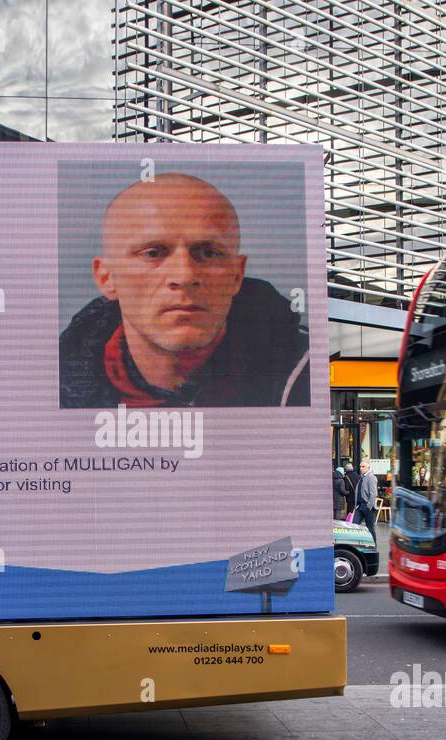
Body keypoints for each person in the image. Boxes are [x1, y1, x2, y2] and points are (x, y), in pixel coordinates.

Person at [59, 173, 311, 408]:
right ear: (106, 277)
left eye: (208, 253)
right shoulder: (54, 382)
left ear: (237, 275)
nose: (185, 275)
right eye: (153, 253)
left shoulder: (304, 373)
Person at [354, 460, 379, 542]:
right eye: (360, 466)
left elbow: (373, 493)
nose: (361, 468)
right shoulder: (362, 477)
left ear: (368, 468)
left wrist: (369, 506)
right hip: (360, 506)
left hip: (367, 506)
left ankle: (373, 545)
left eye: (363, 467)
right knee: (354, 525)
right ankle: (356, 543)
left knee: (370, 527)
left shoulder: (371, 477)